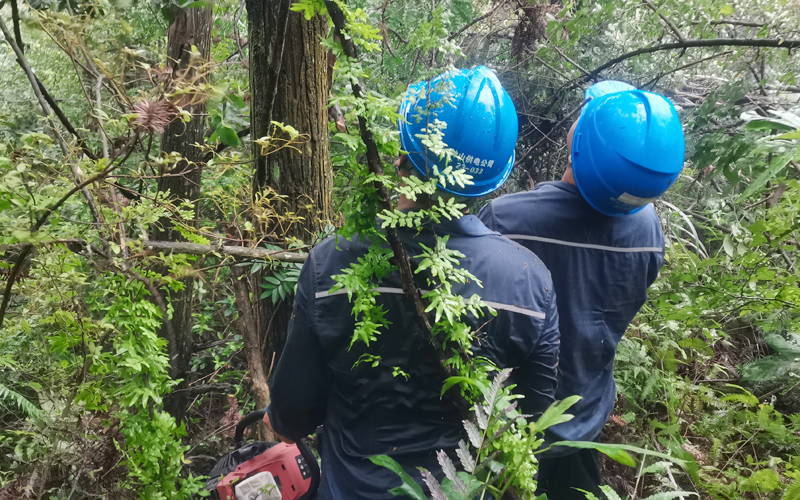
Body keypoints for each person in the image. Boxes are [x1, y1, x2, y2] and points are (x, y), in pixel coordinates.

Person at [263, 66, 560, 500]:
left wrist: (279, 420)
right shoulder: (531, 281)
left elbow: (293, 415)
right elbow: (533, 421)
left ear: (401, 156)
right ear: (492, 179)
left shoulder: (332, 262)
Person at [478, 81, 685, 500]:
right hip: (585, 422)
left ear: (578, 143)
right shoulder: (648, 231)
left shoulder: (506, 217)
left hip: (506, 427)